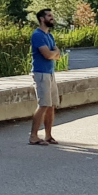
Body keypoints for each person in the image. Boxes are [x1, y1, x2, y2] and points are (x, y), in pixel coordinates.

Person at [29, 8, 61, 146]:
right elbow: (48, 55)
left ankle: (48, 135)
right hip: (41, 73)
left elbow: (58, 54)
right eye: (49, 16)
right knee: (43, 104)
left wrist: (53, 53)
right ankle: (33, 136)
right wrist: (53, 53)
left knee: (51, 105)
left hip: (50, 72)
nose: (52, 18)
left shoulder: (50, 36)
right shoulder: (37, 35)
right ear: (42, 19)